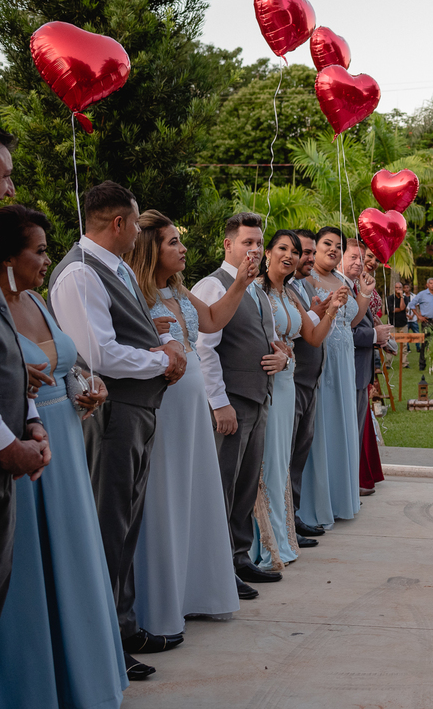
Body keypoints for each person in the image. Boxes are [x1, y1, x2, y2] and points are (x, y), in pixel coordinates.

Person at [0, 205, 127, 701]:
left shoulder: (37, 301)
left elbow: (67, 363)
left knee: (73, 558)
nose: (49, 260)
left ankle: (83, 680)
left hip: (65, 438)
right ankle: (29, 687)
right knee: (25, 569)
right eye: (40, 251)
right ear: (8, 258)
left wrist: (89, 385)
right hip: (23, 449)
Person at [48, 181, 186, 664]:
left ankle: (123, 627)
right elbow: (98, 354)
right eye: (136, 223)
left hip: (136, 410)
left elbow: (128, 332)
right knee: (108, 526)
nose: (140, 234)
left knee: (126, 524)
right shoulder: (80, 274)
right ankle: (102, 648)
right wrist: (163, 360)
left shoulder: (116, 268)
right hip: (110, 415)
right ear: (119, 223)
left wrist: (163, 345)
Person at [127, 210, 254, 633]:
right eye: (173, 242)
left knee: (195, 492)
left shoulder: (178, 288)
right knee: (166, 496)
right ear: (151, 249)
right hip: (163, 404)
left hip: (192, 404)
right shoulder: (135, 292)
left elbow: (213, 320)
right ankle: (162, 601)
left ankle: (196, 591)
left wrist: (241, 283)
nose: (183, 249)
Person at [192, 213, 289, 592]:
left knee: (246, 486)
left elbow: (274, 340)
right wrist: (219, 402)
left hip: (258, 398)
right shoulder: (212, 286)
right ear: (228, 245)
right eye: (247, 242)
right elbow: (204, 348)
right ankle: (217, 571)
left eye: (259, 243)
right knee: (223, 486)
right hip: (232, 402)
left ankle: (239, 557)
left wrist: (282, 358)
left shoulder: (258, 290)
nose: (255, 249)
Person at [0, 124, 49, 676]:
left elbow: (2, 353)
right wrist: (5, 442)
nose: (10, 189)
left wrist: (29, 418)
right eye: (2, 177)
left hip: (4, 460)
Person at [252, 230, 343, 573]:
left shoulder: (290, 293)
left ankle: (282, 538)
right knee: (268, 462)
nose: (289, 256)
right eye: (282, 249)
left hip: (288, 382)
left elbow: (313, 337)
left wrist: (332, 310)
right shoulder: (255, 291)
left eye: (293, 251)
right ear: (268, 253)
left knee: (282, 461)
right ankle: (263, 543)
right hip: (269, 382)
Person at [298, 227, 367, 529]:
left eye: (338, 246)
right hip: (322, 357)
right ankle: (318, 502)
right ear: (314, 247)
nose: (333, 250)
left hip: (344, 359)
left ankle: (342, 499)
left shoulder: (341, 279)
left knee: (343, 421)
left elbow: (351, 320)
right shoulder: (305, 280)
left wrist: (363, 294)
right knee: (323, 425)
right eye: (327, 243)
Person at [289, 229, 331, 545]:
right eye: (304, 252)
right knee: (287, 453)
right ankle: (285, 522)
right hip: (291, 381)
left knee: (300, 453)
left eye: (311, 252)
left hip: (309, 381)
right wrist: (316, 314)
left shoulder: (302, 287)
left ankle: (294, 515)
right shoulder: (277, 289)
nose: (309, 258)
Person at [340, 239, 386, 498]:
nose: (361, 262)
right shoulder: (340, 288)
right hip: (348, 368)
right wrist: (374, 335)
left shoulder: (357, 285)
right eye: (354, 257)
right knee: (350, 431)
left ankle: (353, 482)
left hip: (361, 368)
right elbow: (346, 331)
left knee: (357, 430)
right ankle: (349, 484)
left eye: (363, 257)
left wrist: (379, 335)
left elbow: (360, 321)